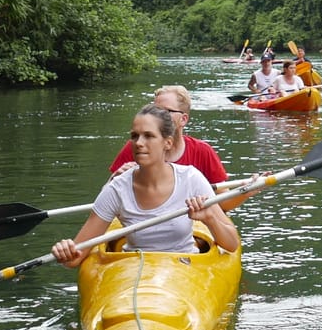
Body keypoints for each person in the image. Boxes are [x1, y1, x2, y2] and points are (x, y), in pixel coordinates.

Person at [54, 104, 241, 267]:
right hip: (136, 270)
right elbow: (75, 258)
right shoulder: (117, 189)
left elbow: (231, 244)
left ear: (167, 142)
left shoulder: (192, 179)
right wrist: (66, 251)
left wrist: (210, 219)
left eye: (148, 136)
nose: (139, 143)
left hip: (184, 267)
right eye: (134, 136)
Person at [111, 85, 227, 183]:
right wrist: (114, 179)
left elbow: (224, 202)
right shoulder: (136, 146)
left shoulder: (203, 151)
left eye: (166, 111)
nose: (158, 117)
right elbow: (107, 196)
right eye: (155, 111)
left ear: (183, 119)